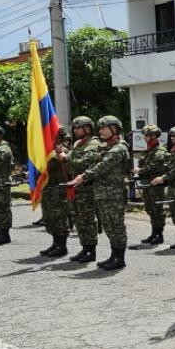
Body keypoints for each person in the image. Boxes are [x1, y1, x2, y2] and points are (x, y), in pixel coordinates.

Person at [69, 115, 130, 271]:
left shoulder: (119, 148)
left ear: (114, 129)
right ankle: (113, 255)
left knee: (115, 226)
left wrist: (83, 177)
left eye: (103, 127)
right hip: (103, 193)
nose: (100, 131)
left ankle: (119, 258)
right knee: (108, 226)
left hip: (113, 194)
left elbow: (103, 166)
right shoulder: (107, 146)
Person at [62, 116, 102, 263]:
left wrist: (66, 160)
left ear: (87, 128)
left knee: (88, 219)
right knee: (78, 219)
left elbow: (84, 163)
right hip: (76, 187)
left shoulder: (93, 143)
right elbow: (72, 163)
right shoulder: (78, 144)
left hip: (86, 188)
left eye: (78, 127)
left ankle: (91, 250)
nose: (75, 130)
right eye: (74, 128)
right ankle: (84, 247)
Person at [134, 125, 169, 246]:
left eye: (147, 135)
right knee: (150, 209)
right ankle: (154, 233)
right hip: (147, 184)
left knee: (157, 210)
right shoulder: (148, 151)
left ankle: (159, 234)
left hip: (155, 185)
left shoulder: (160, 151)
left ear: (154, 136)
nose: (145, 137)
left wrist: (140, 170)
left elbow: (154, 167)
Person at [39, 128, 72, 257]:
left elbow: (49, 163)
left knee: (59, 218)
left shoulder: (63, 151)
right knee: (49, 218)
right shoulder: (49, 151)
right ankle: (55, 243)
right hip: (49, 189)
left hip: (59, 189)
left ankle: (62, 246)